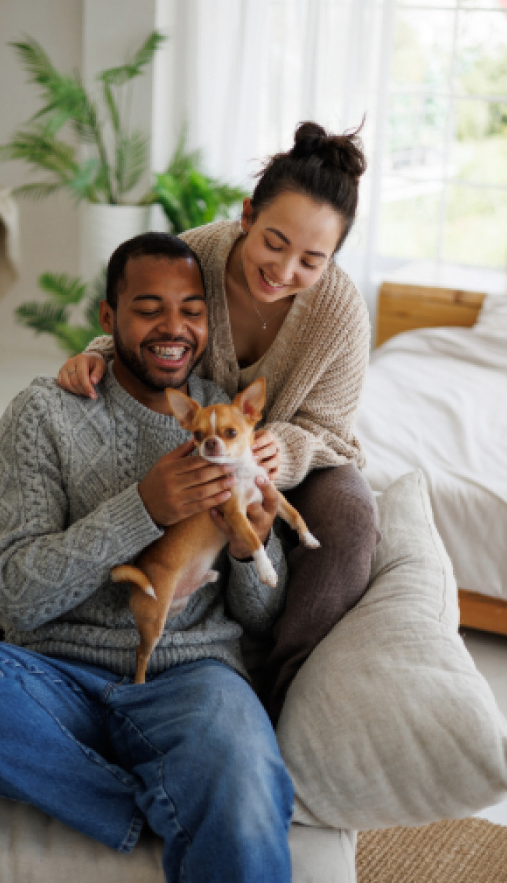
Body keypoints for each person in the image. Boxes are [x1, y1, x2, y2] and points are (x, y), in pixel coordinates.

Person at [0, 233, 295, 883]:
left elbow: (265, 617)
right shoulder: (44, 412)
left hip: (194, 680)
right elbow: (17, 595)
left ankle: (168, 793)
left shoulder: (227, 422)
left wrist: (245, 549)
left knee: (242, 776)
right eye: (148, 308)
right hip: (54, 680)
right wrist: (142, 507)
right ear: (110, 315)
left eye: (192, 310)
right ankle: (146, 800)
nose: (174, 328)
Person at [57, 120, 380, 720]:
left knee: (353, 515)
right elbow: (144, 325)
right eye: (274, 242)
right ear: (247, 214)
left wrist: (281, 450)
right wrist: (95, 356)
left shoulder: (340, 313)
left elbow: (333, 430)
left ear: (333, 259)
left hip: (284, 451)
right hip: (191, 438)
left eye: (312, 260)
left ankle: (282, 692)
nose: (284, 271)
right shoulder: (196, 256)